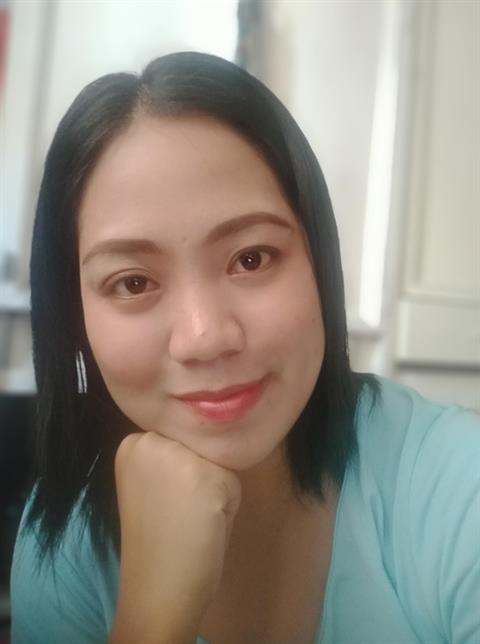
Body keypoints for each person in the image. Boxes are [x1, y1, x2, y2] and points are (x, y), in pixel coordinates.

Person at [9, 51, 479, 644]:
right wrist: (151, 622)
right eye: (132, 283)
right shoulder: (64, 543)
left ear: (319, 261)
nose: (205, 337)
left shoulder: (456, 483)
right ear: (74, 315)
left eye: (251, 259)